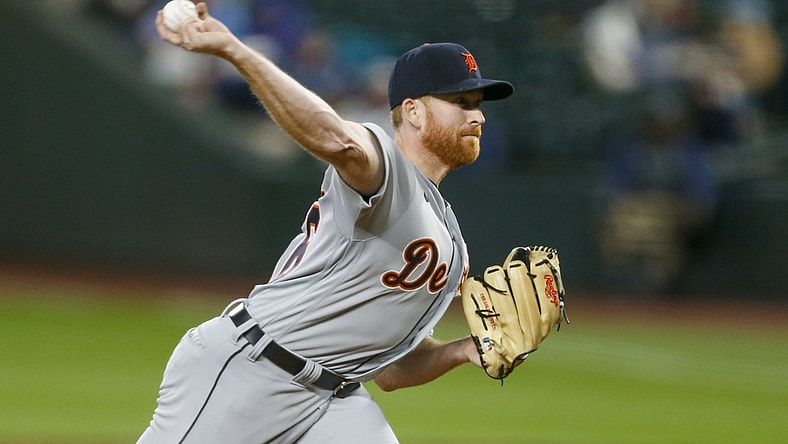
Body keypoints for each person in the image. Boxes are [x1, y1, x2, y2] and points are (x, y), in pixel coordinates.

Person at [138, 3, 513, 443]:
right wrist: (232, 49)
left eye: (479, 104)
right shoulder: (386, 167)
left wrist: (464, 350)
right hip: (252, 371)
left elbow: (390, 369)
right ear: (412, 111)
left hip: (334, 398)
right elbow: (337, 140)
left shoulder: (449, 238)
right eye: (461, 102)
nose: (479, 115)